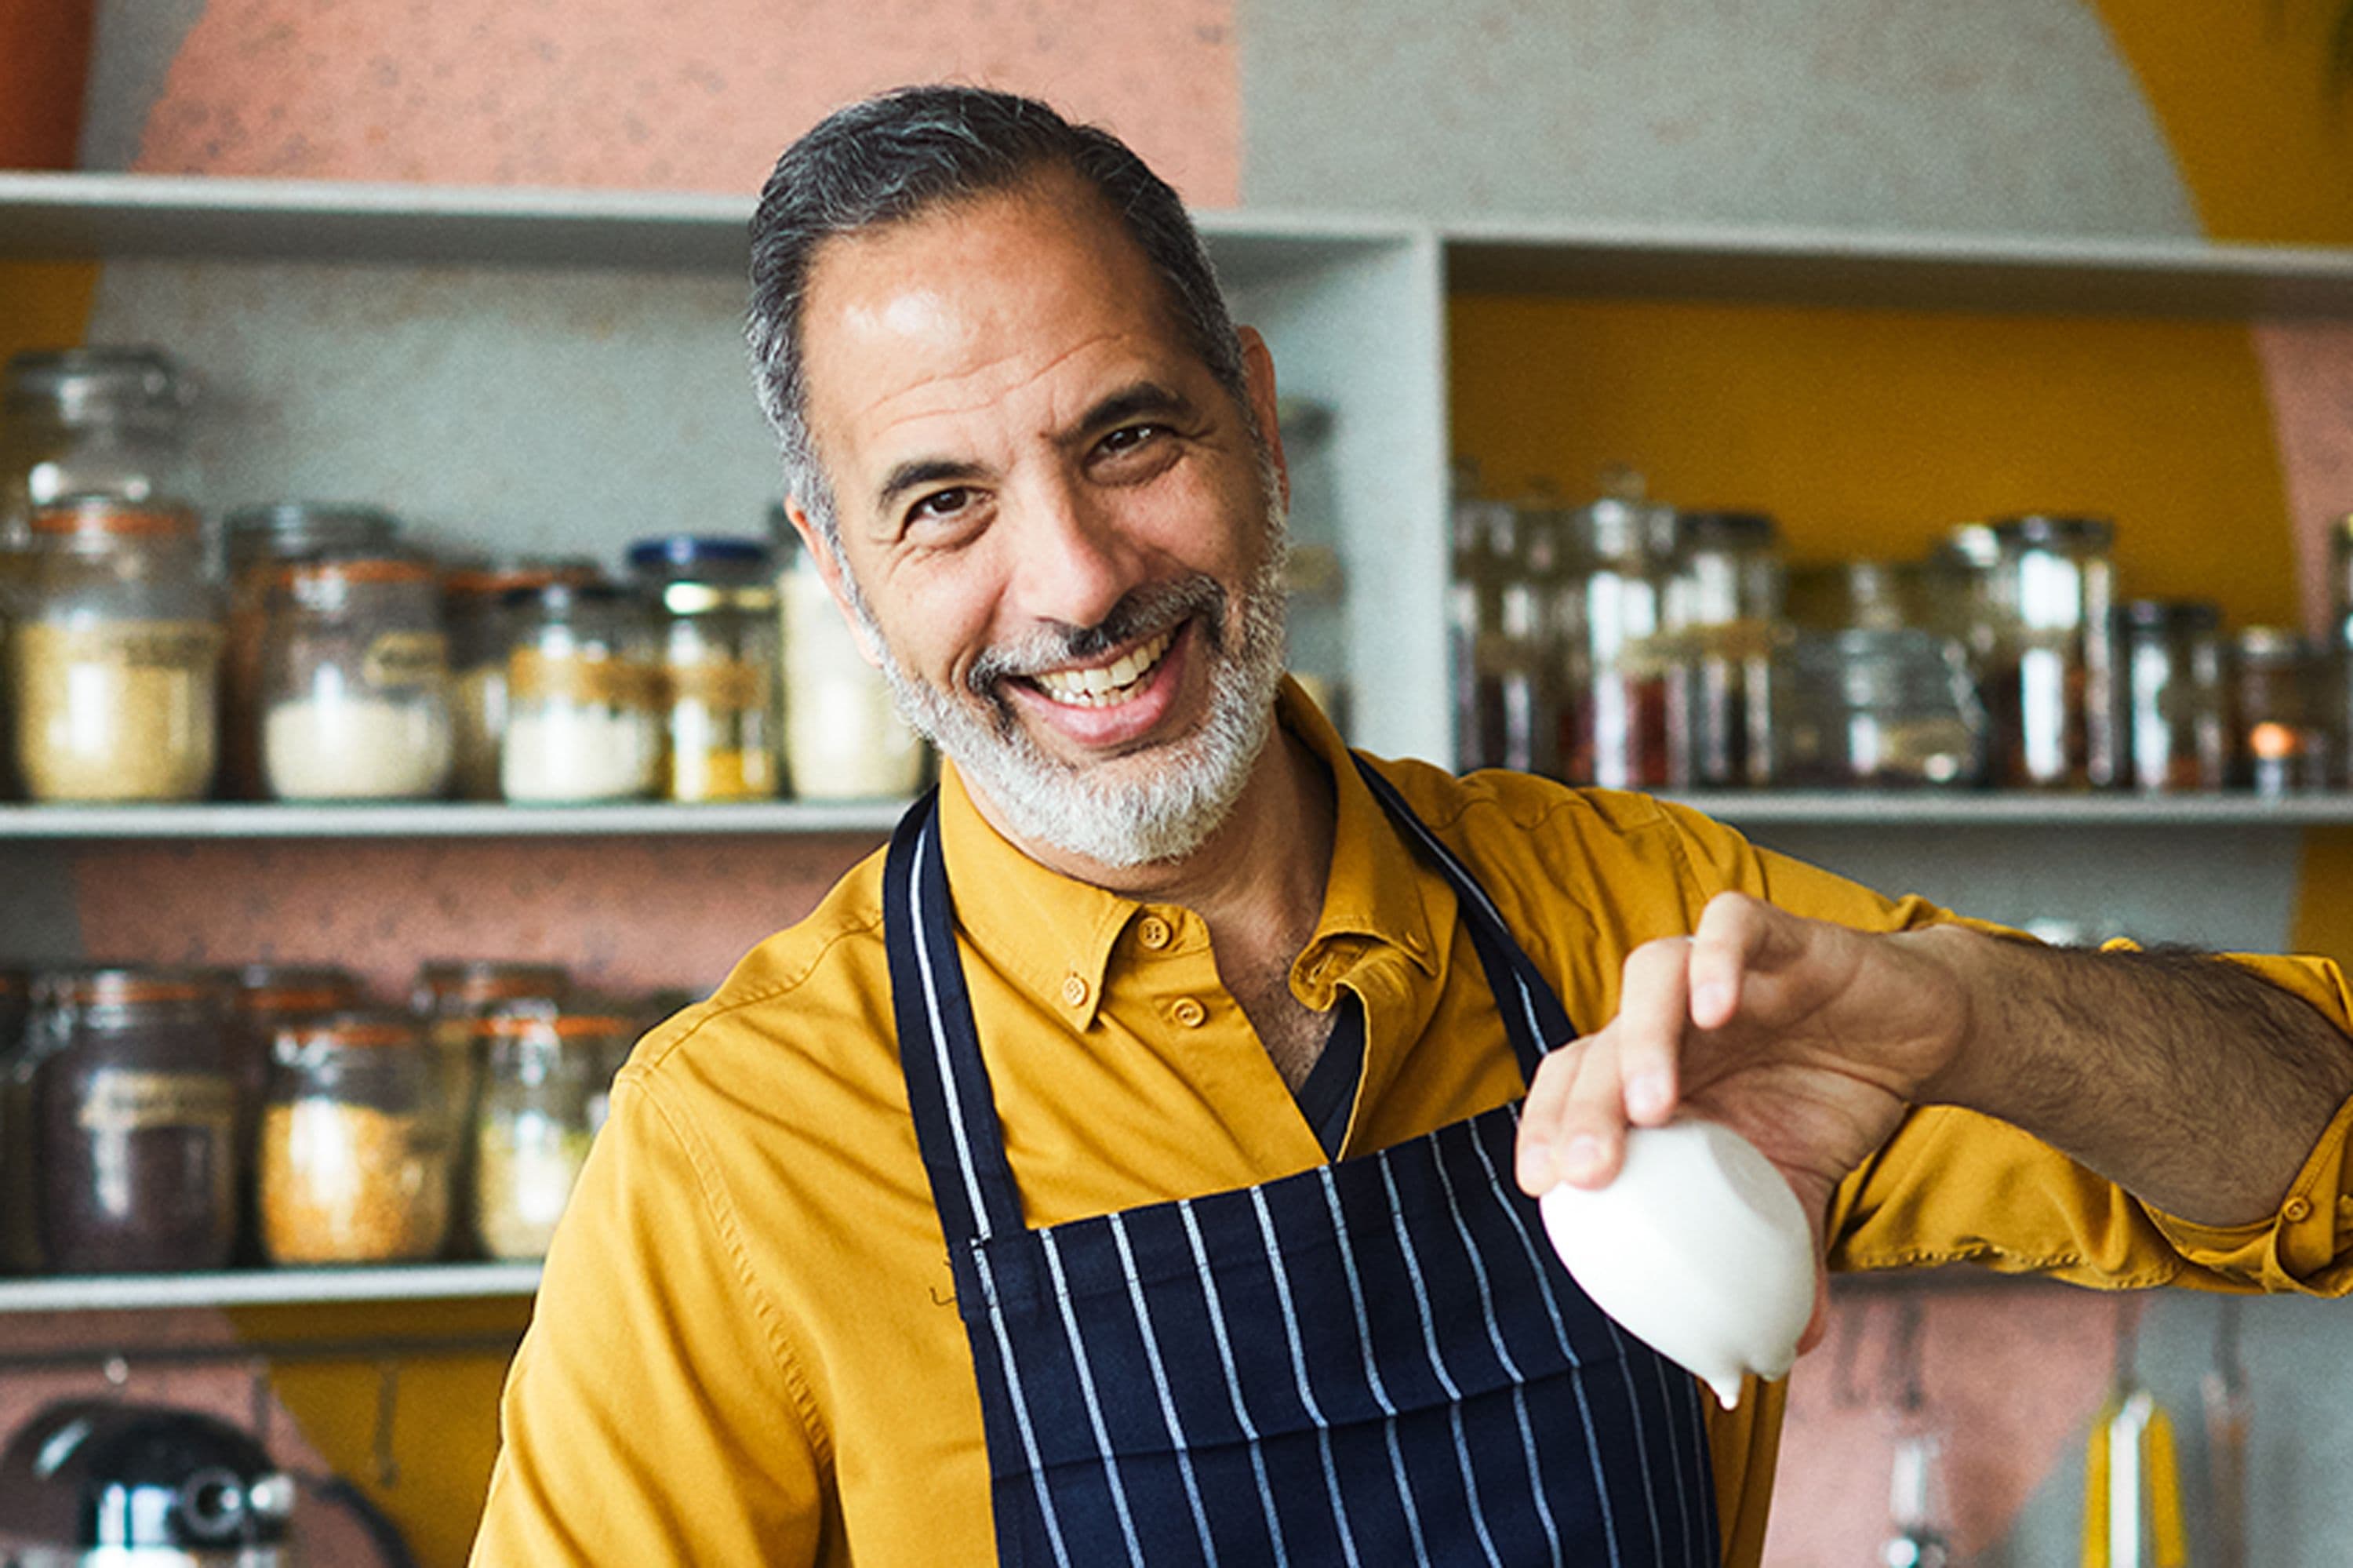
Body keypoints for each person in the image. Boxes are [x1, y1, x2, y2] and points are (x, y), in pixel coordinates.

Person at [469, 85, 2353, 1567]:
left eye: (1131, 437)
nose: (1076, 580)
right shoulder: (737, 1147)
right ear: (841, 572)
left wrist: (1971, 1014)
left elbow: (2320, 1159)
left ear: (1259, 420)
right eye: (944, 503)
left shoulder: (1642, 920)